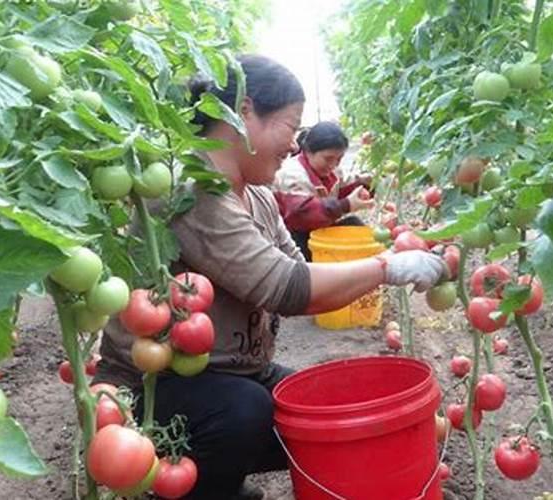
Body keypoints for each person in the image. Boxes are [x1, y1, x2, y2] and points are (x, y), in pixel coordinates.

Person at [92, 54, 447, 500]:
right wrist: (387, 267)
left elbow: (296, 268)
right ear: (243, 113)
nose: (295, 146)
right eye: (290, 127)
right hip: (153, 388)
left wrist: (387, 260)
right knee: (246, 412)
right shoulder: (194, 192)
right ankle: (194, 487)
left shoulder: (256, 196)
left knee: (320, 415)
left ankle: (215, 476)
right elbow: (285, 288)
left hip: (233, 374)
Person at [273, 121, 373, 261]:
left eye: (339, 159)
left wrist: (368, 185)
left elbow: (344, 187)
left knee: (353, 224)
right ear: (308, 152)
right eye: (328, 159)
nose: (333, 165)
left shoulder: (330, 171)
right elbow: (302, 214)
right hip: (293, 237)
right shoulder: (293, 174)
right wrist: (346, 205)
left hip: (316, 230)